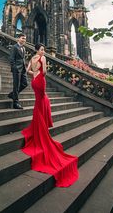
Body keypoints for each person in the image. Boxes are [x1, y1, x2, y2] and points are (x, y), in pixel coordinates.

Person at [21, 43, 79, 187]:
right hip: (40, 80)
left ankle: (39, 124)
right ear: (38, 49)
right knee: (42, 101)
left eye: (43, 50)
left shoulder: (32, 58)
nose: (43, 51)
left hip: (34, 81)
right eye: (42, 49)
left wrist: (34, 74)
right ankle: (41, 126)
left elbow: (27, 70)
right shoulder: (42, 58)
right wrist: (40, 72)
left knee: (39, 102)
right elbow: (45, 72)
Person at [9, 33, 28, 109]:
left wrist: (24, 68)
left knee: (25, 84)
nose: (24, 40)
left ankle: (12, 94)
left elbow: (23, 59)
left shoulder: (23, 48)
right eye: (23, 38)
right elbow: (11, 59)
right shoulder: (14, 47)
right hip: (16, 69)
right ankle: (15, 103)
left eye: (25, 39)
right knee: (16, 86)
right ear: (18, 39)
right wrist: (15, 68)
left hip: (23, 69)